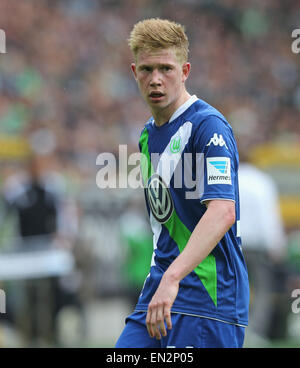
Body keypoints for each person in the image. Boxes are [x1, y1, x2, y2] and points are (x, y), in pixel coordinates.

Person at [115, 18, 249, 348]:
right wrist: (166, 278)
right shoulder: (147, 135)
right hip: (159, 290)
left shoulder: (209, 127)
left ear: (185, 70)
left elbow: (222, 212)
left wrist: (174, 277)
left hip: (207, 297)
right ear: (134, 73)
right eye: (147, 70)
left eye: (166, 69)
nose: (155, 79)